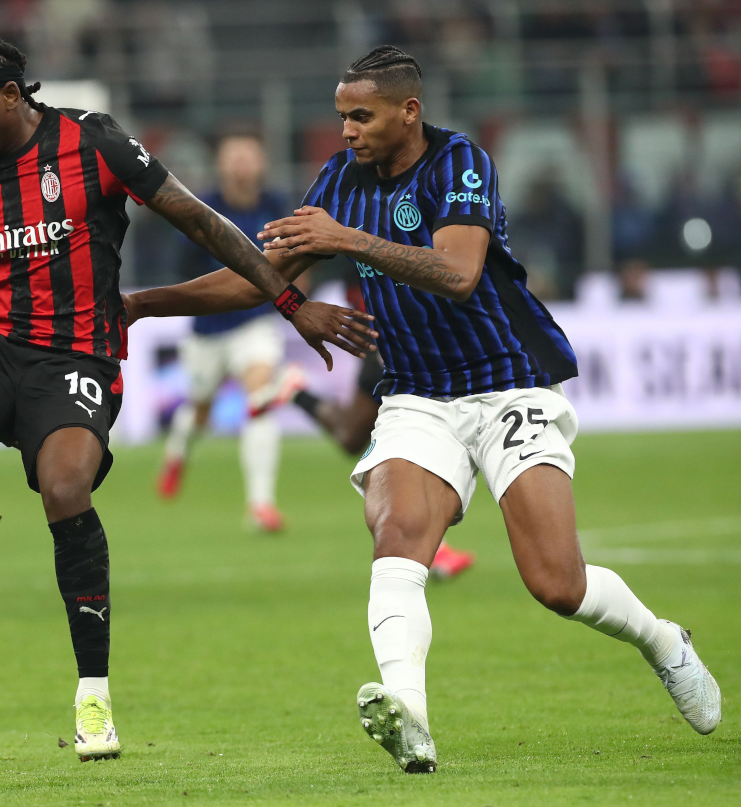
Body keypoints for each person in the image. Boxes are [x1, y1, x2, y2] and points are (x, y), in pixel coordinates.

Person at [0, 32, 373, 763]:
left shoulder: (95, 144)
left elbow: (203, 223)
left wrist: (288, 301)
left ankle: (94, 697)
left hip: (77, 357)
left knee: (64, 487)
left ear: (10, 97)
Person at [123, 45, 720, 773]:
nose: (347, 131)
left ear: (409, 111)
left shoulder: (459, 162)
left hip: (508, 380)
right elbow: (260, 276)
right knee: (397, 535)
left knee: (556, 583)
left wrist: (347, 239)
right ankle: (410, 715)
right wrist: (141, 304)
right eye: (342, 116)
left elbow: (460, 273)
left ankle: (663, 641)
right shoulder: (340, 178)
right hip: (416, 392)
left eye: (362, 116)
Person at [282, 275, 475, 580]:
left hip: (403, 336)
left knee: (353, 438)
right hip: (387, 340)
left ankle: (295, 390)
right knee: (410, 437)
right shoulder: (351, 248)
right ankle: (436, 550)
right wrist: (292, 302)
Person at [155, 133, 297, 532]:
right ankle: (177, 453)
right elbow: (183, 270)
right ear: (220, 164)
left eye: (248, 156)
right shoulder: (200, 207)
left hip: (255, 323)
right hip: (208, 329)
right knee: (200, 411)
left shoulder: (276, 206)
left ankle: (261, 505)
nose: (241, 164)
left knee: (260, 399)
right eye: (234, 157)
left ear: (262, 163)